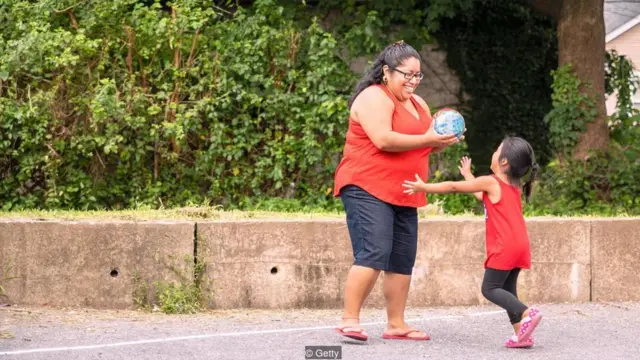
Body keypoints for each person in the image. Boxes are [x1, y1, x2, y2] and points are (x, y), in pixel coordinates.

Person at [332, 40, 462, 342]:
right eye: (407, 74)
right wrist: (429, 137)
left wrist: (442, 138)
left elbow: (427, 138)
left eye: (418, 76)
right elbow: (383, 139)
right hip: (366, 186)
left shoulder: (419, 105)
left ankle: (396, 324)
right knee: (374, 251)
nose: (413, 82)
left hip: (405, 189)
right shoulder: (372, 97)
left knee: (402, 258)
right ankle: (349, 319)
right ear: (387, 72)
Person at [402, 136, 543, 348]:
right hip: (520, 245)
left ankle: (527, 313)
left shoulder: (492, 181)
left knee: (490, 288)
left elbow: (452, 187)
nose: (493, 153)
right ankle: (521, 334)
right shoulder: (511, 185)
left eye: (497, 150)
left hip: (504, 246)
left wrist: (424, 187)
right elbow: (480, 195)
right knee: (508, 290)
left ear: (504, 162)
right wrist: (468, 174)